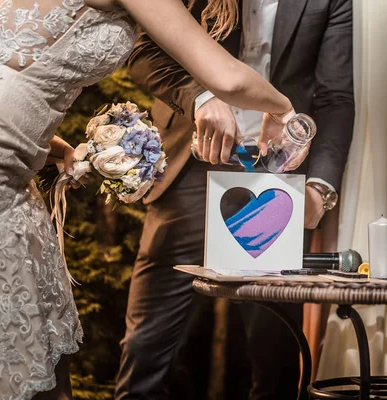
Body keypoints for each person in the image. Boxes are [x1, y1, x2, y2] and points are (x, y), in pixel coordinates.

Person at [0, 0, 306, 397]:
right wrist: (283, 108)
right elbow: (228, 78)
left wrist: (34, 137)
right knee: (5, 351)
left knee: (22, 352)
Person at [116, 0, 354, 398]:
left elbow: (335, 97)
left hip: (276, 177)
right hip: (190, 165)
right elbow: (143, 51)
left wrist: (319, 188)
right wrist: (201, 97)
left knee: (275, 351)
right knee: (146, 348)